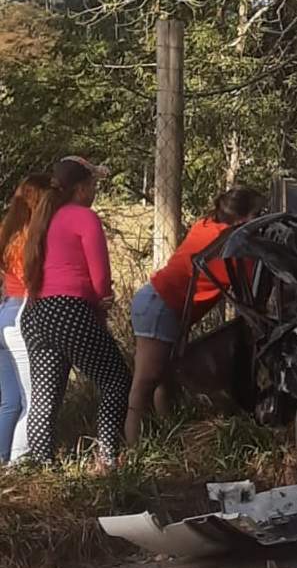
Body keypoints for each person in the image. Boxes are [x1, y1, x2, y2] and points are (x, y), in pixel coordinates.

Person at [125, 185, 264, 445]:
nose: (261, 221)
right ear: (243, 220)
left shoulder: (206, 225)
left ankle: (169, 437)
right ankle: (132, 449)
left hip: (157, 302)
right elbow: (254, 285)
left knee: (166, 380)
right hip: (161, 305)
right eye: (258, 215)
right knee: (145, 381)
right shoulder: (229, 249)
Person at [21, 156, 131, 467]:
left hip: (36, 312)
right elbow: (100, 276)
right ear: (81, 189)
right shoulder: (83, 217)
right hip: (70, 310)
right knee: (115, 380)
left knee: (45, 395)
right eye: (94, 184)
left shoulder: (41, 218)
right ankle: (108, 455)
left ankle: (42, 464)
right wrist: (102, 299)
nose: (95, 190)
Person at [0, 174, 48, 462]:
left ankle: (3, 461)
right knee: (33, 400)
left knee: (9, 401)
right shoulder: (34, 237)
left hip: (4, 314)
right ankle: (19, 464)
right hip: (21, 318)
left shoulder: (7, 233)